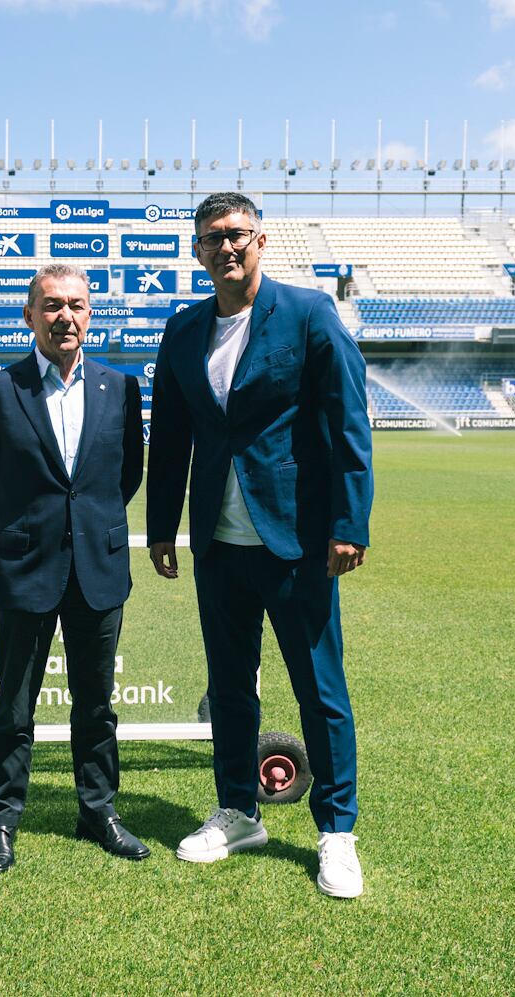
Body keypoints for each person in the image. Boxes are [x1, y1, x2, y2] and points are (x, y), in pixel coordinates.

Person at [146, 192, 373, 898]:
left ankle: (336, 832)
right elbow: (173, 437)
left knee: (319, 692)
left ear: (262, 241)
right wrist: (161, 526)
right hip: (219, 542)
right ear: (197, 252)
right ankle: (239, 812)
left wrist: (349, 523)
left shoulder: (307, 314)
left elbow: (346, 419)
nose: (226, 247)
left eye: (237, 234)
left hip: (297, 542)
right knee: (232, 690)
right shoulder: (183, 331)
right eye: (212, 238)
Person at [0, 264, 147, 874]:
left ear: (90, 313)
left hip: (99, 566)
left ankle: (98, 810)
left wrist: (86, 528)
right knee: (14, 706)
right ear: (30, 315)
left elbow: (126, 477)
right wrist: (24, 532)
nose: (65, 316)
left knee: (96, 704)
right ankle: (2, 819)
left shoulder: (120, 389)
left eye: (77, 305)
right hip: (26, 570)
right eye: (52, 306)